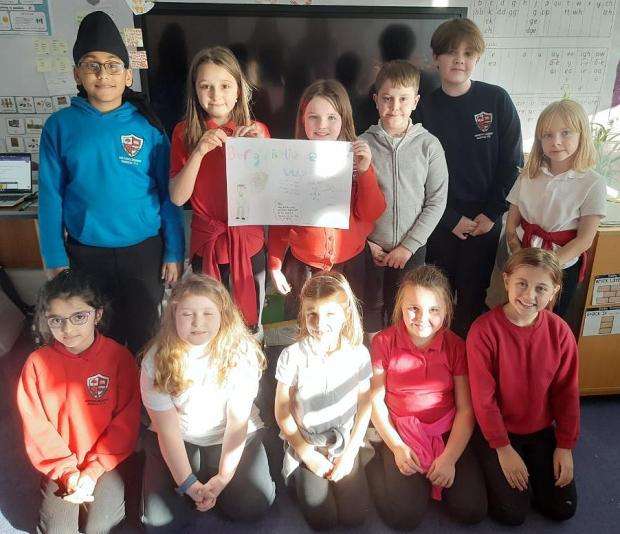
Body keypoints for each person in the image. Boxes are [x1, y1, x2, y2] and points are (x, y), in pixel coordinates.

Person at [37, 11, 185, 354]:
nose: (103, 74)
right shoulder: (60, 126)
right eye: (91, 65)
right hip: (86, 253)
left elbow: (168, 193)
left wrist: (174, 250)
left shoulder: (148, 125)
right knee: (99, 336)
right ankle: (106, 400)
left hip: (144, 251)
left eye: (112, 64)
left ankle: (145, 401)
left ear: (127, 73)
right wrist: (53, 254)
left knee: (147, 331)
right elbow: (50, 197)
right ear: (77, 73)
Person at [140, 274, 275, 531]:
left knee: (252, 506)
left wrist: (224, 477)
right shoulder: (155, 361)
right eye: (187, 314)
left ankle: (218, 475)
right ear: (173, 315)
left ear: (223, 315)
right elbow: (167, 431)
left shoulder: (242, 353)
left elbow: (237, 424)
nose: (197, 323)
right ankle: (197, 477)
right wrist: (188, 483)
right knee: (160, 522)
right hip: (182, 436)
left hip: (231, 436)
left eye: (208, 314)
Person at [416, 17, 523, 338]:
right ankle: (439, 369)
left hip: (484, 221)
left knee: (473, 298)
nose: (459, 59)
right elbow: (416, 176)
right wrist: (449, 219)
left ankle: (468, 367)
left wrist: (491, 214)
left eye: (467, 53)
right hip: (438, 220)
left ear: (477, 58)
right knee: (437, 298)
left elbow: (512, 164)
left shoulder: (497, 100)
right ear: (435, 58)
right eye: (450, 52)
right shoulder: (423, 109)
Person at [17, 269, 141, 534]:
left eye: (79, 317)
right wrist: (69, 473)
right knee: (59, 530)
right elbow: (37, 427)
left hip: (106, 462)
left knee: (99, 527)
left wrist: (94, 470)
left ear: (97, 315)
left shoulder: (120, 358)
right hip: (62, 464)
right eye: (56, 320)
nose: (68, 329)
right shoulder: (37, 363)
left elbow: (126, 422)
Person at [367, 266, 486, 529]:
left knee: (472, 510)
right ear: (400, 306)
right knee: (405, 518)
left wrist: (449, 458)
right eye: (414, 308)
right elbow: (376, 401)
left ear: (446, 310)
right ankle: (376, 464)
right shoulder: (383, 343)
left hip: (445, 431)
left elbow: (466, 410)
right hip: (401, 432)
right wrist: (397, 447)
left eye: (434, 310)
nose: (423, 318)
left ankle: (429, 472)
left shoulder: (455, 345)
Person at [467, 248, 579, 525]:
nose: (529, 296)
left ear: (554, 291)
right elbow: (484, 400)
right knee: (513, 512)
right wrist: (503, 448)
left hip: (539, 430)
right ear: (506, 281)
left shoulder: (560, 331)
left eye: (541, 288)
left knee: (562, 508)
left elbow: (567, 394)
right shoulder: (483, 331)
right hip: (497, 432)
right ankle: (479, 461)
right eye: (522, 284)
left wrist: (564, 446)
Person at [169, 46, 269, 331]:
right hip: (207, 246)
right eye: (206, 87)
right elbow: (178, 197)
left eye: (225, 85)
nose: (216, 95)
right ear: (196, 92)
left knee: (248, 326)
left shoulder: (257, 130)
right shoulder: (184, 132)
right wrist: (199, 151)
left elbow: (268, 196)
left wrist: (259, 152)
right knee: (209, 324)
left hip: (248, 245)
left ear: (239, 89)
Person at [268, 79, 386, 318]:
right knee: (304, 322)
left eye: (331, 117)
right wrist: (275, 264)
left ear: (343, 118)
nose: (322, 125)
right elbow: (281, 219)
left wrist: (364, 172)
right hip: (303, 266)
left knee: (346, 325)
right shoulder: (291, 161)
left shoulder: (356, 159)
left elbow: (372, 213)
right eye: (313, 117)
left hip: (350, 265)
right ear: (303, 119)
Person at [274, 271, 372, 530]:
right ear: (303, 315)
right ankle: (299, 475)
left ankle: (350, 467)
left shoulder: (359, 353)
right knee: (322, 520)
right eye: (312, 314)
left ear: (345, 314)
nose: (320, 323)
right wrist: (307, 454)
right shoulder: (291, 355)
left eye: (330, 314)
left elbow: (365, 404)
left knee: (355, 517)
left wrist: (350, 453)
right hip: (308, 441)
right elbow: (282, 409)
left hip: (343, 442)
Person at [360, 60, 448, 336]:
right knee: (371, 308)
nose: (394, 106)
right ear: (376, 100)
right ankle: (377, 365)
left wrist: (408, 247)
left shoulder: (429, 145)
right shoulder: (362, 144)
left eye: (403, 99)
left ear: (415, 101)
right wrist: (367, 242)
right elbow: (349, 201)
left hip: (412, 249)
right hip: (370, 249)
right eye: (386, 98)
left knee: (407, 308)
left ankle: (401, 364)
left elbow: (436, 200)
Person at [505, 99, 606, 318]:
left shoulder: (592, 182)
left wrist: (546, 269)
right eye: (547, 135)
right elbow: (511, 225)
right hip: (523, 261)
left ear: (582, 135)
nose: (556, 142)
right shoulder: (529, 175)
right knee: (519, 316)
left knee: (550, 322)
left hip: (561, 267)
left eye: (566, 133)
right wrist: (518, 256)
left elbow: (584, 240)